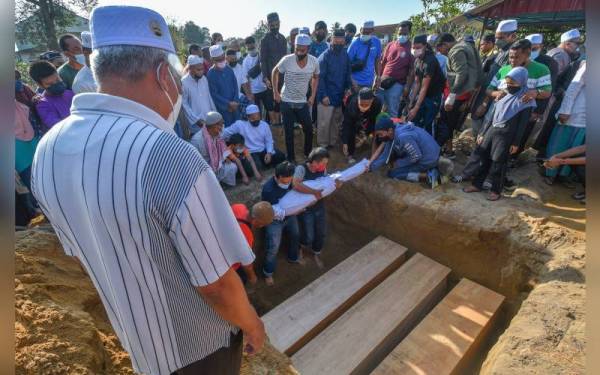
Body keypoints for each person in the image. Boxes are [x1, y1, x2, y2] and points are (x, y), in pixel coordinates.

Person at [31, 6, 264, 375]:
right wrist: (252, 323)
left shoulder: (49, 149)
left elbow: (79, 253)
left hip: (137, 340)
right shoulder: (171, 155)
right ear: (162, 76)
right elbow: (217, 284)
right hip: (199, 350)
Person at [461, 67, 536, 201]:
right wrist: (483, 132)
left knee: (498, 162)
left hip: (507, 134)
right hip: (492, 129)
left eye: (513, 84)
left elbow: (522, 125)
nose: (509, 86)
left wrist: (516, 142)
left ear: (522, 82)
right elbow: (492, 116)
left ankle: (496, 190)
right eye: (508, 83)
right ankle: (477, 184)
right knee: (483, 157)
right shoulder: (503, 94)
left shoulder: (526, 100)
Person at [488, 39, 551, 157]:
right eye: (510, 57)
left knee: (505, 152)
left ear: (527, 54)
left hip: (517, 119)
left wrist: (535, 93)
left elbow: (547, 92)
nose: (512, 61)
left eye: (516, 57)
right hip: (497, 115)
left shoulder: (541, 69)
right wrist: (496, 94)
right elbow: (489, 89)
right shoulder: (504, 69)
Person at [272, 33, 320, 162]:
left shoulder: (314, 61)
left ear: (308, 49)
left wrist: (313, 95)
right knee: (288, 132)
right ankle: (291, 159)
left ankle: (307, 154)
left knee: (309, 129)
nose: (299, 52)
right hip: (286, 101)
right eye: (296, 49)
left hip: (302, 102)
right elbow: (275, 72)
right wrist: (275, 92)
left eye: (302, 50)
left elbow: (316, 77)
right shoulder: (287, 60)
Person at [293, 147, 341, 269]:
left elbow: (325, 182)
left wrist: (336, 184)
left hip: (319, 206)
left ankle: (316, 253)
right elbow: (296, 185)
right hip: (306, 209)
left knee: (321, 233)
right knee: (308, 235)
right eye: (324, 162)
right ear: (314, 161)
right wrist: (313, 192)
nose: (325, 165)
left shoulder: (322, 169)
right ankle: (300, 249)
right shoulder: (301, 169)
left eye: (326, 163)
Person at [470, 19, 519, 138]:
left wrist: (485, 103)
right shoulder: (502, 51)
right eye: (497, 37)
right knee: (477, 120)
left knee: (484, 124)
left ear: (512, 36)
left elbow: (501, 82)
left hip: (492, 97)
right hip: (486, 92)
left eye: (501, 37)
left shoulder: (511, 54)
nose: (497, 40)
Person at [437, 32, 482, 159]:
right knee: (448, 123)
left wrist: (451, 96)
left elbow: (462, 73)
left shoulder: (456, 51)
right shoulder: (466, 46)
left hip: (456, 97)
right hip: (461, 95)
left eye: (442, 51)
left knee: (447, 123)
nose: (443, 54)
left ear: (445, 44)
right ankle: (448, 148)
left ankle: (449, 150)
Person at [369, 116, 441, 187]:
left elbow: (416, 156)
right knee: (396, 162)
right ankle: (430, 169)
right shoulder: (393, 132)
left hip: (429, 159)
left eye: (381, 134)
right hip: (430, 153)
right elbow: (385, 155)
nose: (379, 137)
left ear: (390, 130)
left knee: (393, 174)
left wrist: (398, 163)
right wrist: (371, 167)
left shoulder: (403, 137)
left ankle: (429, 176)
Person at [261, 161, 302, 286]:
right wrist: (297, 209)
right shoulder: (269, 190)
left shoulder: (291, 182)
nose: (290, 179)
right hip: (274, 221)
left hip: (290, 215)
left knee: (295, 235)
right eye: (288, 177)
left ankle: (293, 257)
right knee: (273, 247)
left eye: (291, 176)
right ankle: (268, 272)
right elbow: (274, 212)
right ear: (279, 177)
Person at [544, 60, 585, 184]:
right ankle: (549, 172)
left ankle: (563, 175)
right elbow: (573, 87)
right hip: (573, 113)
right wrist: (565, 110)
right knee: (559, 144)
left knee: (576, 147)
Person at [316, 29, 353, 149]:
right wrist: (323, 95)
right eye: (336, 41)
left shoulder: (345, 55)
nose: (339, 44)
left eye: (341, 41)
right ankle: (322, 146)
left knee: (335, 123)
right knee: (324, 123)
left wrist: (348, 88)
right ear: (331, 40)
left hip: (339, 95)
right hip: (326, 96)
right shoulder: (324, 57)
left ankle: (332, 143)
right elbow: (319, 78)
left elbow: (348, 73)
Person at [407, 34, 446, 139]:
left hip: (433, 96)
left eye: (418, 47)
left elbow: (424, 87)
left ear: (424, 46)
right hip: (423, 95)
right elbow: (417, 83)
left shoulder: (430, 61)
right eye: (413, 48)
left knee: (428, 123)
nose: (415, 50)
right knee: (415, 121)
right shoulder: (417, 60)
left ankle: (431, 148)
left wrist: (416, 107)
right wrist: (411, 103)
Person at [222, 104, 286, 169]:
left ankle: (265, 164)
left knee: (280, 156)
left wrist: (269, 153)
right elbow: (224, 133)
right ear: (248, 117)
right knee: (253, 167)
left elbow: (269, 141)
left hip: (263, 150)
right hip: (251, 153)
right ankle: (264, 165)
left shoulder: (264, 125)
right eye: (253, 118)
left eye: (258, 117)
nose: (256, 120)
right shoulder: (240, 125)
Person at [230, 202, 275, 285]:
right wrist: (252, 277)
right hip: (231, 266)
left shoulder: (239, 207)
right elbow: (246, 262)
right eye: (262, 224)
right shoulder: (246, 234)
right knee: (240, 281)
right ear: (254, 221)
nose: (261, 226)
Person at [377, 20, 414, 118]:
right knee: (377, 107)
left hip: (397, 84)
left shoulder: (411, 48)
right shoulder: (390, 45)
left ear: (409, 33)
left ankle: (391, 132)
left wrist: (407, 87)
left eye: (404, 33)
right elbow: (382, 62)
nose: (401, 35)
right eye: (400, 33)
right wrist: (378, 78)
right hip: (383, 81)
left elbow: (411, 70)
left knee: (392, 110)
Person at [190, 111, 238, 186]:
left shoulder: (217, 134)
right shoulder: (197, 140)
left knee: (232, 167)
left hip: (216, 166)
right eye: (221, 124)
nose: (222, 126)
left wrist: (225, 158)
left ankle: (223, 185)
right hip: (203, 171)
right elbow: (194, 163)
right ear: (214, 126)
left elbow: (221, 150)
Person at [29, 60, 75, 130]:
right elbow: (59, 128)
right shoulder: (43, 105)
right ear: (39, 85)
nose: (56, 84)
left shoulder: (71, 93)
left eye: (57, 79)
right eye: (50, 84)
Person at [260, 12, 288, 126]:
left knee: (280, 101)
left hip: (282, 75)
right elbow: (263, 60)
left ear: (279, 23)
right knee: (270, 103)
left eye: (277, 24)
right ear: (268, 25)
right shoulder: (265, 39)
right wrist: (265, 77)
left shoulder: (282, 38)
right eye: (272, 25)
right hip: (270, 77)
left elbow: (285, 58)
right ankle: (273, 125)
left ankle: (279, 126)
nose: (275, 27)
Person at [341, 87, 383, 163]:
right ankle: (350, 154)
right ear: (358, 99)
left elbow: (373, 121)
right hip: (354, 114)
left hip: (370, 115)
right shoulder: (352, 105)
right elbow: (347, 125)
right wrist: (345, 142)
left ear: (372, 100)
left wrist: (365, 135)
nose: (363, 107)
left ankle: (373, 153)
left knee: (372, 128)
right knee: (351, 130)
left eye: (366, 104)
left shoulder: (377, 103)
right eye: (361, 104)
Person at [182, 55, 217, 135]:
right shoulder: (184, 83)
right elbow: (184, 105)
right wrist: (196, 120)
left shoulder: (204, 79)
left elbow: (209, 98)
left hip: (209, 121)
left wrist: (215, 114)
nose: (201, 71)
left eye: (202, 69)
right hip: (196, 126)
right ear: (190, 69)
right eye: (198, 70)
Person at [207, 44, 241, 127]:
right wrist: (228, 104)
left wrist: (235, 101)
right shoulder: (211, 74)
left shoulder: (228, 69)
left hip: (235, 105)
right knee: (228, 130)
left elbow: (235, 86)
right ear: (212, 60)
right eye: (218, 60)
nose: (222, 61)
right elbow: (214, 94)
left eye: (223, 58)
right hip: (224, 109)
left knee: (238, 127)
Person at [243, 36, 273, 117]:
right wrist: (249, 93)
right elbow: (246, 78)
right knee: (257, 114)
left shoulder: (262, 56)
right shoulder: (245, 61)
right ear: (246, 46)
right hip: (254, 91)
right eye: (248, 45)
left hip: (265, 88)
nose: (251, 46)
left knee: (270, 110)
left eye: (252, 44)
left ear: (255, 44)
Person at [347, 20, 382, 91]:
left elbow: (377, 60)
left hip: (369, 82)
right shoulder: (354, 44)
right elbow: (347, 64)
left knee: (366, 102)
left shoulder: (376, 42)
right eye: (363, 32)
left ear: (372, 31)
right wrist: (352, 81)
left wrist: (378, 76)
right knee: (354, 101)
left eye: (368, 33)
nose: (365, 35)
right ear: (360, 30)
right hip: (355, 82)